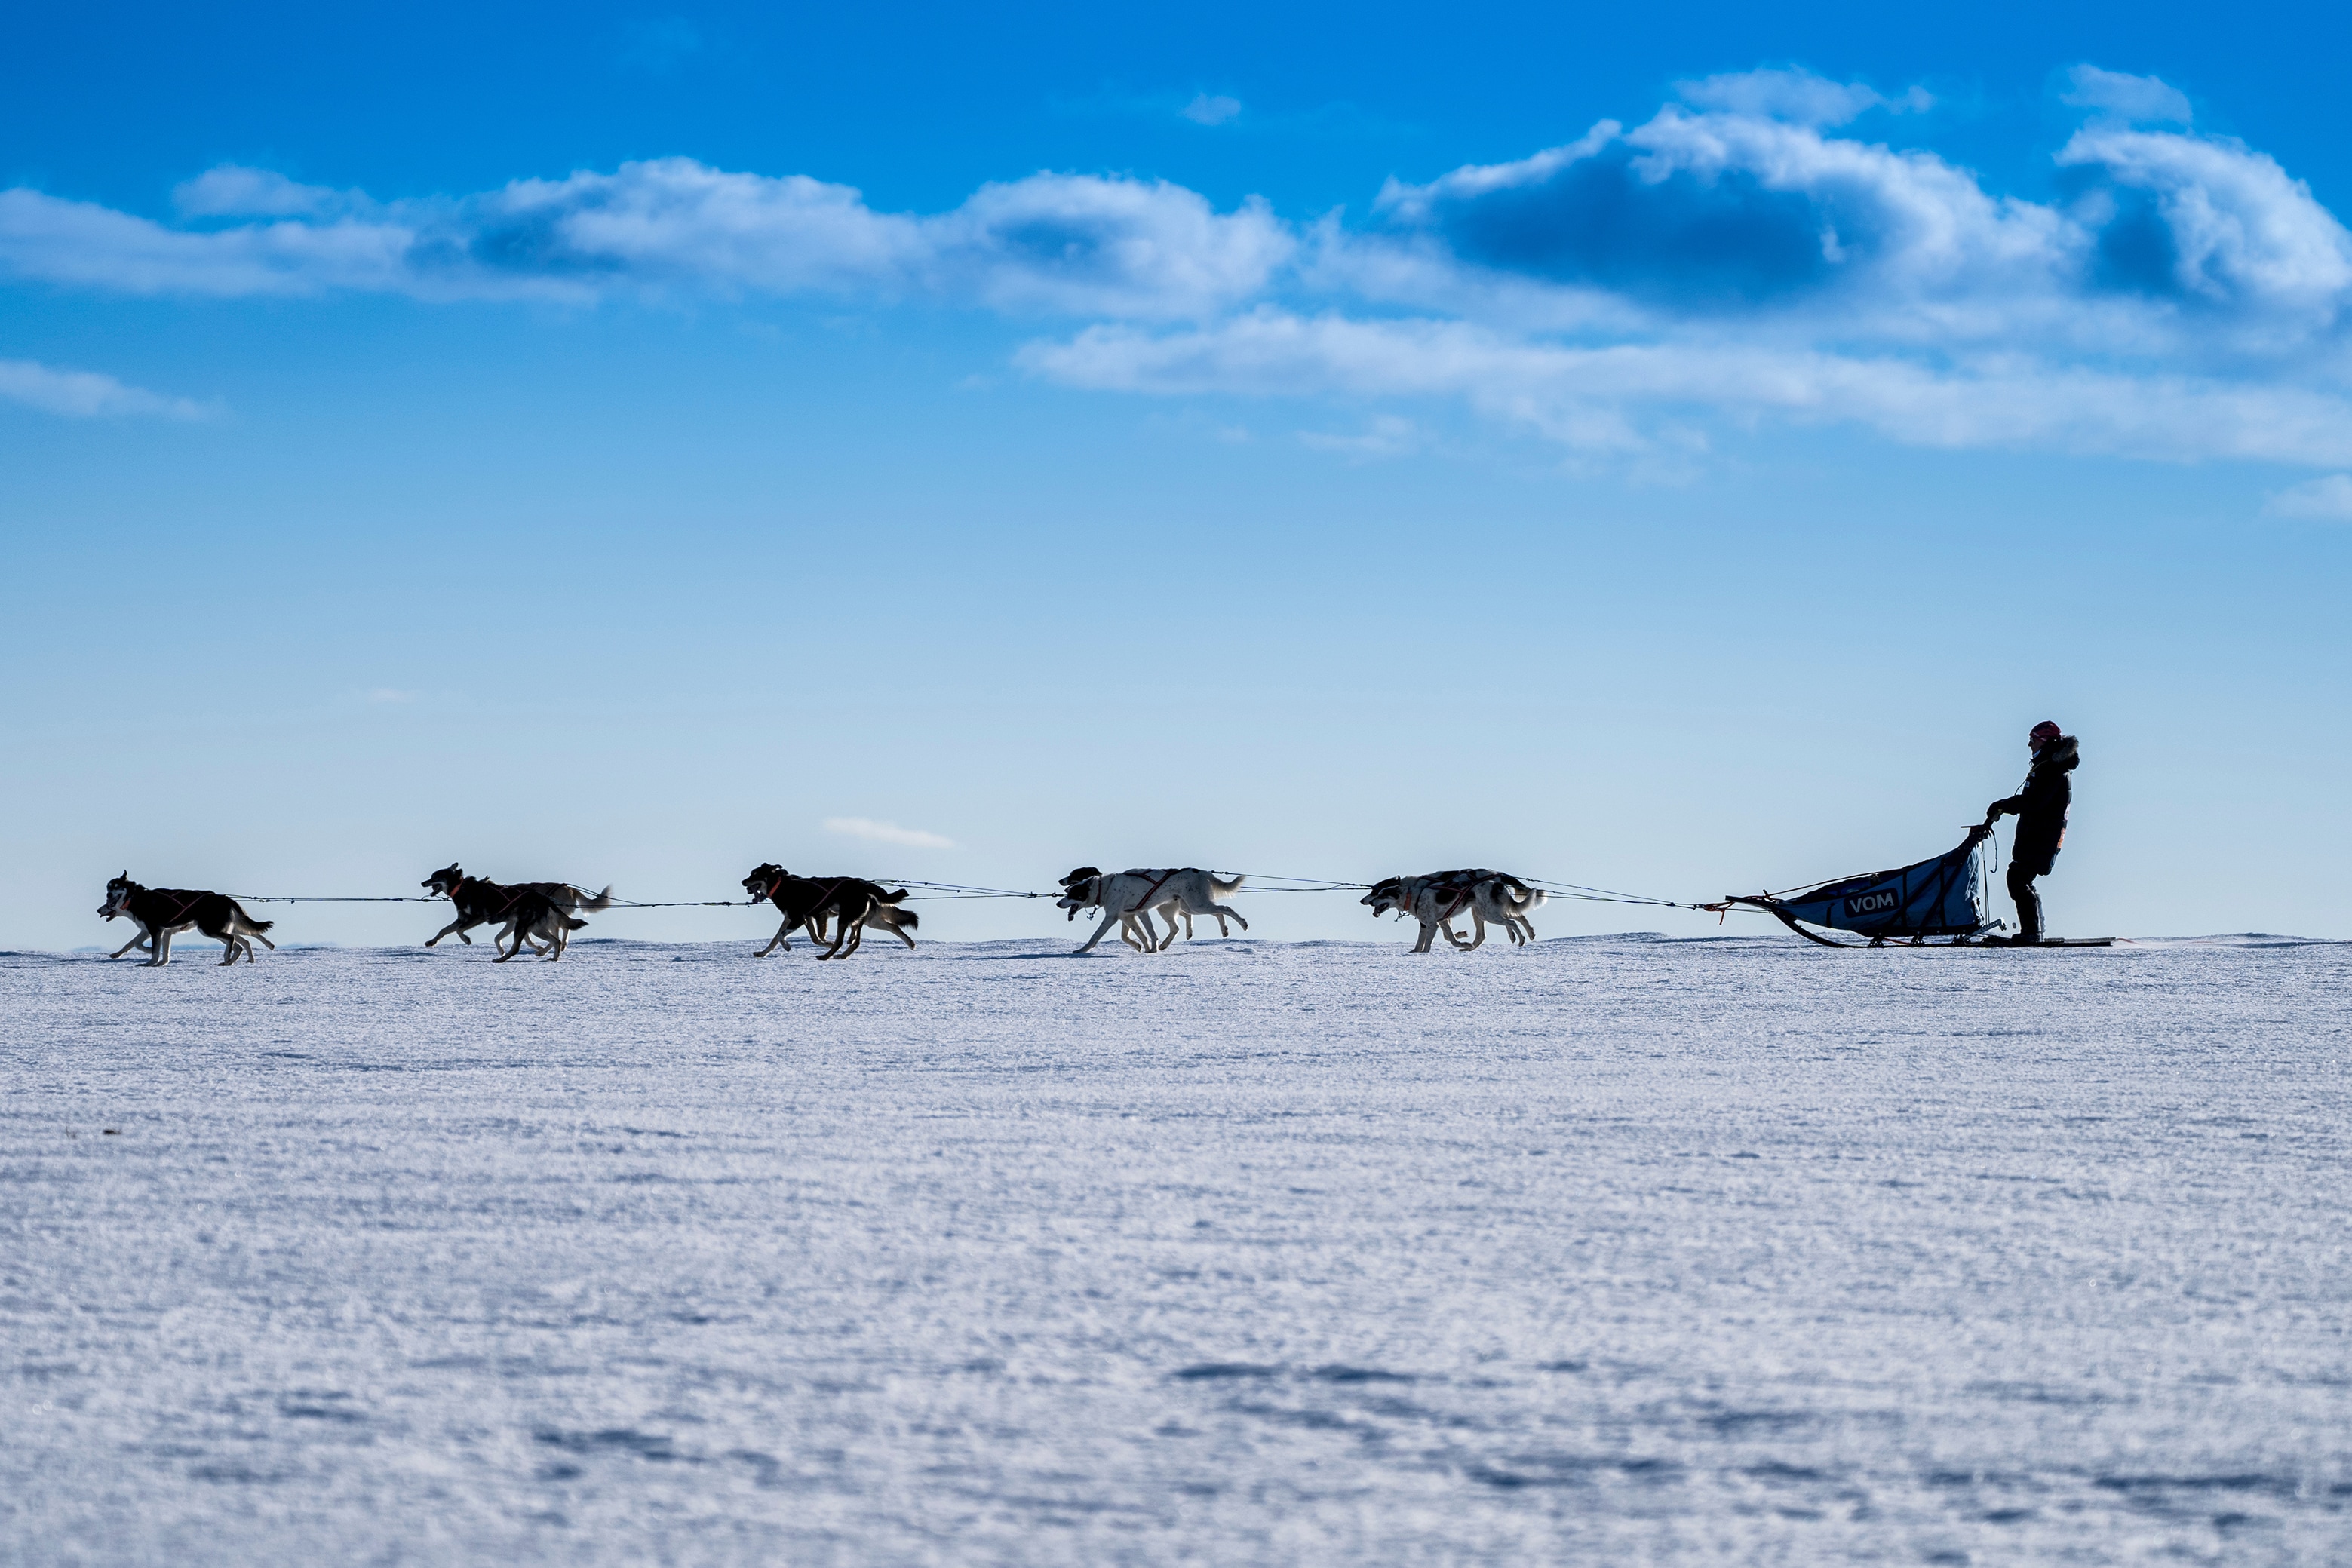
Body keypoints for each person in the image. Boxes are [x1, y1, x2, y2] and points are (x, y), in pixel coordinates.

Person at [1982, 720, 2078, 944]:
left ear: (2044, 742)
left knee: (2017, 877)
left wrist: (2004, 805)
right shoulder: (2048, 766)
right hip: (2038, 835)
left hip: (2042, 836)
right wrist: (2004, 807)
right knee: (2020, 877)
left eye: (2033, 740)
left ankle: (2032, 932)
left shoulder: (2052, 769)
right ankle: (2034, 931)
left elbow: (2035, 802)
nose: (2029, 744)